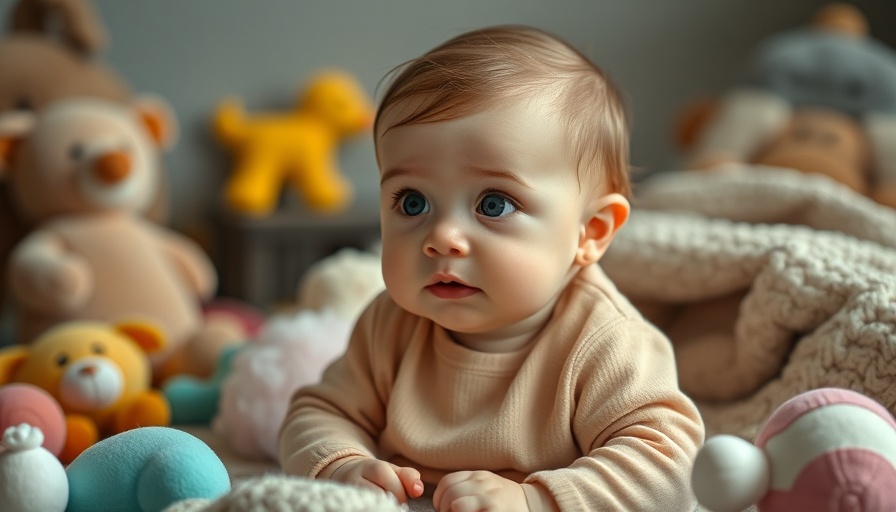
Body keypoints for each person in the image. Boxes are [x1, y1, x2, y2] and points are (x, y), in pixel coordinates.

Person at [279, 25, 705, 511]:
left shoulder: (605, 340)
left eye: (494, 204)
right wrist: (342, 464)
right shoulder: (390, 324)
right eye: (413, 202)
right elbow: (317, 411)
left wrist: (536, 500)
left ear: (590, 232)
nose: (441, 237)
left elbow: (669, 469)